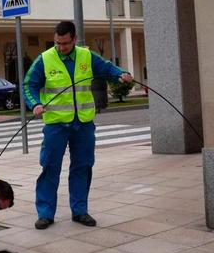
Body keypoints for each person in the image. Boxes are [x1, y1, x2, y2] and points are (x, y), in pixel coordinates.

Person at [24, 21, 133, 230]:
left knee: (82, 167)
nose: (61, 47)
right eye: (57, 43)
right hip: (56, 124)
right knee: (49, 168)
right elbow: (29, 84)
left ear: (74, 39)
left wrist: (121, 74)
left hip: (83, 123)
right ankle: (45, 213)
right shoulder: (45, 59)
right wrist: (35, 103)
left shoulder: (86, 56)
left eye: (65, 43)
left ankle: (80, 211)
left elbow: (108, 68)